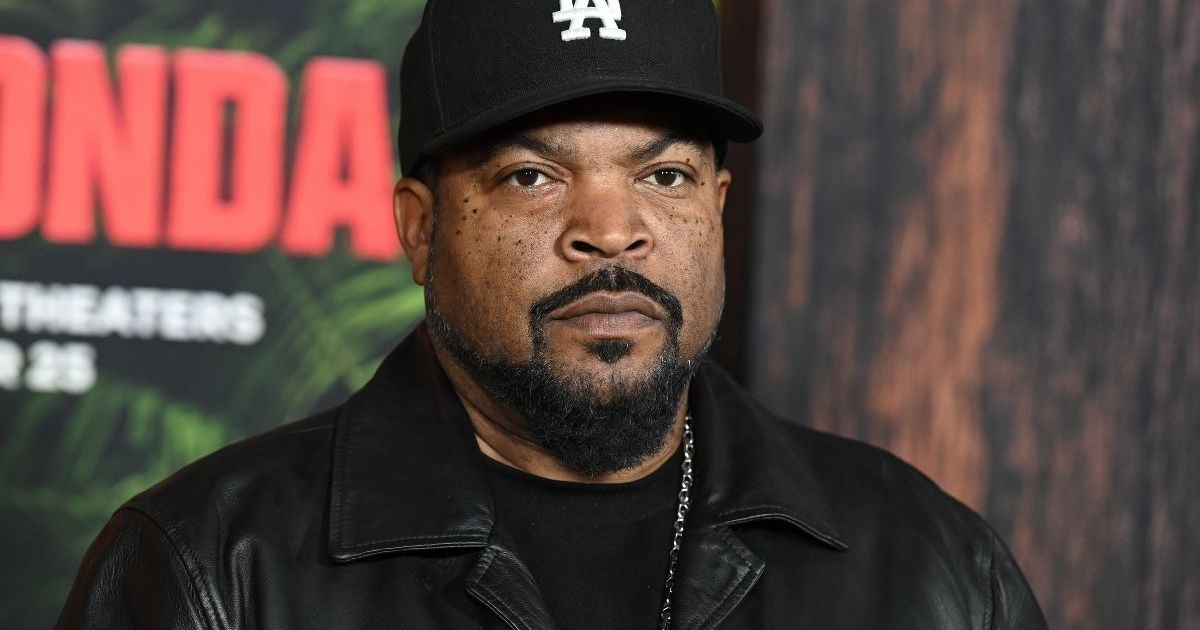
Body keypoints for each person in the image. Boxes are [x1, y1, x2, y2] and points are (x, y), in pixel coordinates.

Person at [56, 1, 1048, 628]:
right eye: (532, 176)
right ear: (419, 229)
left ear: (717, 209)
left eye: (664, 175)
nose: (611, 232)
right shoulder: (211, 569)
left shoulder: (930, 566)